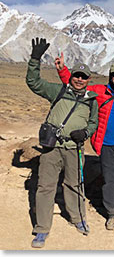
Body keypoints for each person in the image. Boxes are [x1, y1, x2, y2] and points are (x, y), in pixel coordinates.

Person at [55, 52, 114, 231]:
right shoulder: (98, 91)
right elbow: (76, 85)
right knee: (109, 180)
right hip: (106, 145)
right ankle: (113, 213)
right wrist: (62, 70)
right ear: (110, 76)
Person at [26, 38, 98, 248]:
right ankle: (41, 229)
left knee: (74, 185)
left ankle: (78, 219)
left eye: (83, 77)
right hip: (51, 148)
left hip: (74, 150)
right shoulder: (58, 91)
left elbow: (93, 123)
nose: (79, 79)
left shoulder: (91, 100)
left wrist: (85, 132)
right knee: (45, 187)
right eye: (76, 75)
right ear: (72, 76)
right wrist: (35, 59)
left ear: (88, 80)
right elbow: (34, 83)